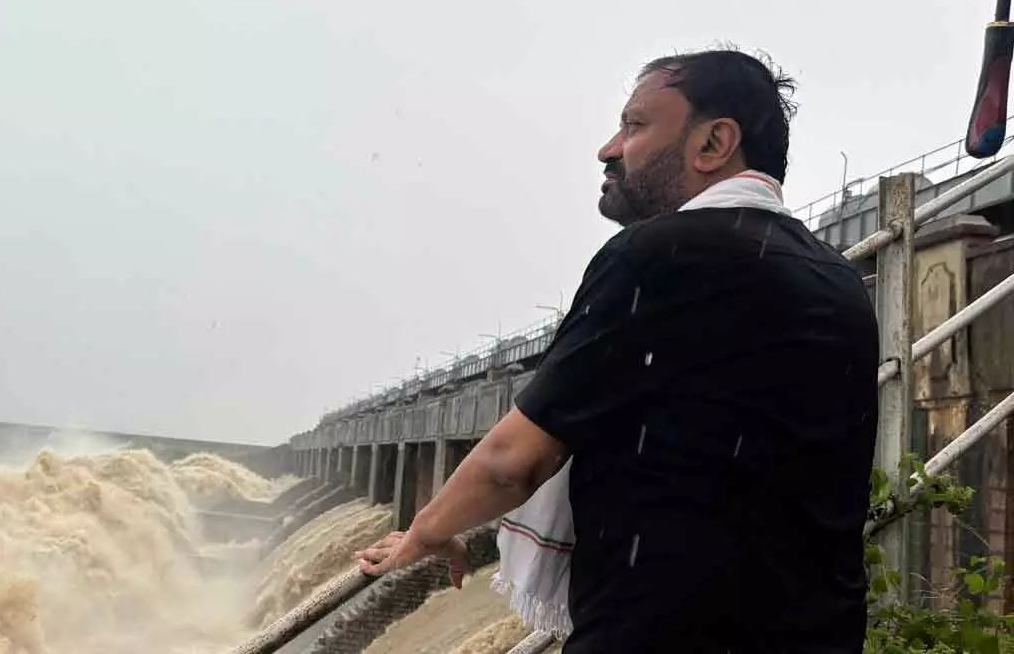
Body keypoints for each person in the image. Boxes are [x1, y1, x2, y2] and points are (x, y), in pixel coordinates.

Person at [354, 48, 881, 653]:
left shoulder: (659, 255)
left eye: (634, 126)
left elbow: (515, 459)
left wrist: (426, 530)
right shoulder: (836, 278)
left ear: (713, 143)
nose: (608, 149)